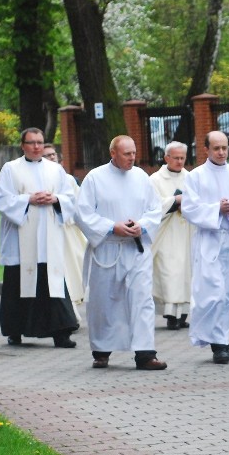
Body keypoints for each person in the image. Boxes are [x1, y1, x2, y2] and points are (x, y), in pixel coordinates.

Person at [76, 135, 166, 370]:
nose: (132, 157)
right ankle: (102, 351)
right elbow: (83, 213)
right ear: (113, 153)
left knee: (142, 299)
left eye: (134, 153)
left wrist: (142, 225)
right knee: (105, 300)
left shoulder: (142, 178)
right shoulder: (95, 178)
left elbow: (155, 210)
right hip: (107, 248)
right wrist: (111, 227)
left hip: (136, 249)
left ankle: (145, 354)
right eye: (127, 154)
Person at [0, 128, 78, 348]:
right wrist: (27, 199)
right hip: (21, 240)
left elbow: (70, 197)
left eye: (40, 142)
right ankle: (16, 330)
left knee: (53, 282)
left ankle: (61, 333)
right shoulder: (11, 169)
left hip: (48, 236)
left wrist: (55, 198)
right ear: (23, 145)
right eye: (31, 143)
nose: (37, 147)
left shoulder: (55, 169)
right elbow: (1, 199)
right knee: (18, 283)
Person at [182, 131, 229, 364]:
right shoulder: (196, 176)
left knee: (227, 292)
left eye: (225, 147)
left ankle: (221, 343)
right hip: (208, 238)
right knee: (211, 292)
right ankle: (214, 341)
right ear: (206, 149)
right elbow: (189, 207)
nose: (222, 152)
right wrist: (216, 209)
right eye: (216, 148)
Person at [149, 141, 194, 330]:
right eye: (175, 158)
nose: (179, 161)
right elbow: (152, 205)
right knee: (171, 272)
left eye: (182, 158)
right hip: (167, 232)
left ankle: (183, 315)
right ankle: (170, 315)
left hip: (186, 231)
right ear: (166, 157)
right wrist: (174, 201)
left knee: (186, 273)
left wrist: (188, 205)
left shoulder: (191, 177)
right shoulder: (155, 180)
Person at [43, 144, 87, 322]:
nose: (51, 158)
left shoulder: (68, 179)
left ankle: (73, 310)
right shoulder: (40, 179)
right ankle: (67, 315)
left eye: (53, 154)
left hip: (69, 233)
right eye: (47, 156)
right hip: (51, 234)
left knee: (74, 271)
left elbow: (78, 203)